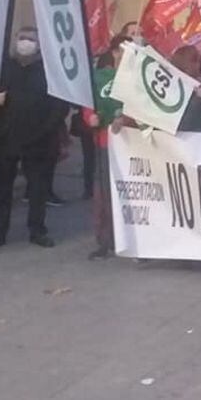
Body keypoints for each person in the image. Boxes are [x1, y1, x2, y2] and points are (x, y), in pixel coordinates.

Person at [0, 27, 69, 250]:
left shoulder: (48, 71)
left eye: (30, 39)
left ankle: (37, 230)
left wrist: (45, 130)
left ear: (39, 44)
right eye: (22, 38)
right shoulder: (4, 69)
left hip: (39, 140)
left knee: (38, 189)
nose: (25, 43)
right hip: (7, 140)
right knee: (2, 190)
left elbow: (59, 106)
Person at [83, 38, 128, 260]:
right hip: (105, 143)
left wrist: (127, 120)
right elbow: (90, 105)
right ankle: (105, 239)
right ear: (113, 52)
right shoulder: (100, 79)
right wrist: (89, 117)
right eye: (121, 51)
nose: (124, 55)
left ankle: (136, 239)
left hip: (134, 146)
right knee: (104, 193)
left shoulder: (140, 79)